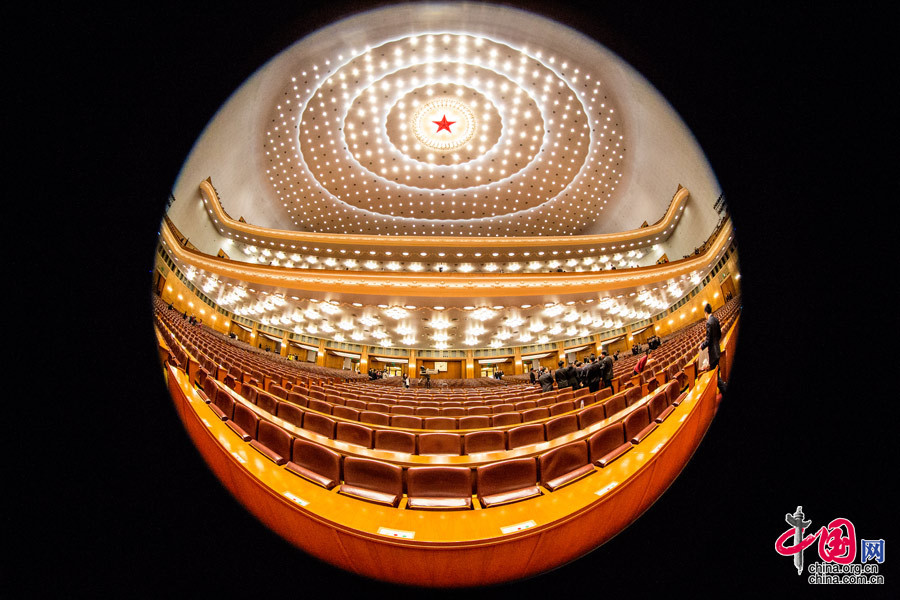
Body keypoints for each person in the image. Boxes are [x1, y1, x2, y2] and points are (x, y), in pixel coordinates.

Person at [699, 302, 727, 393]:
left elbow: (708, 340)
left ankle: (724, 389)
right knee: (717, 372)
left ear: (706, 313)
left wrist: (701, 346)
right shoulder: (715, 319)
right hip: (717, 349)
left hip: (713, 353)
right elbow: (719, 334)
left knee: (715, 375)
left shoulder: (709, 323)